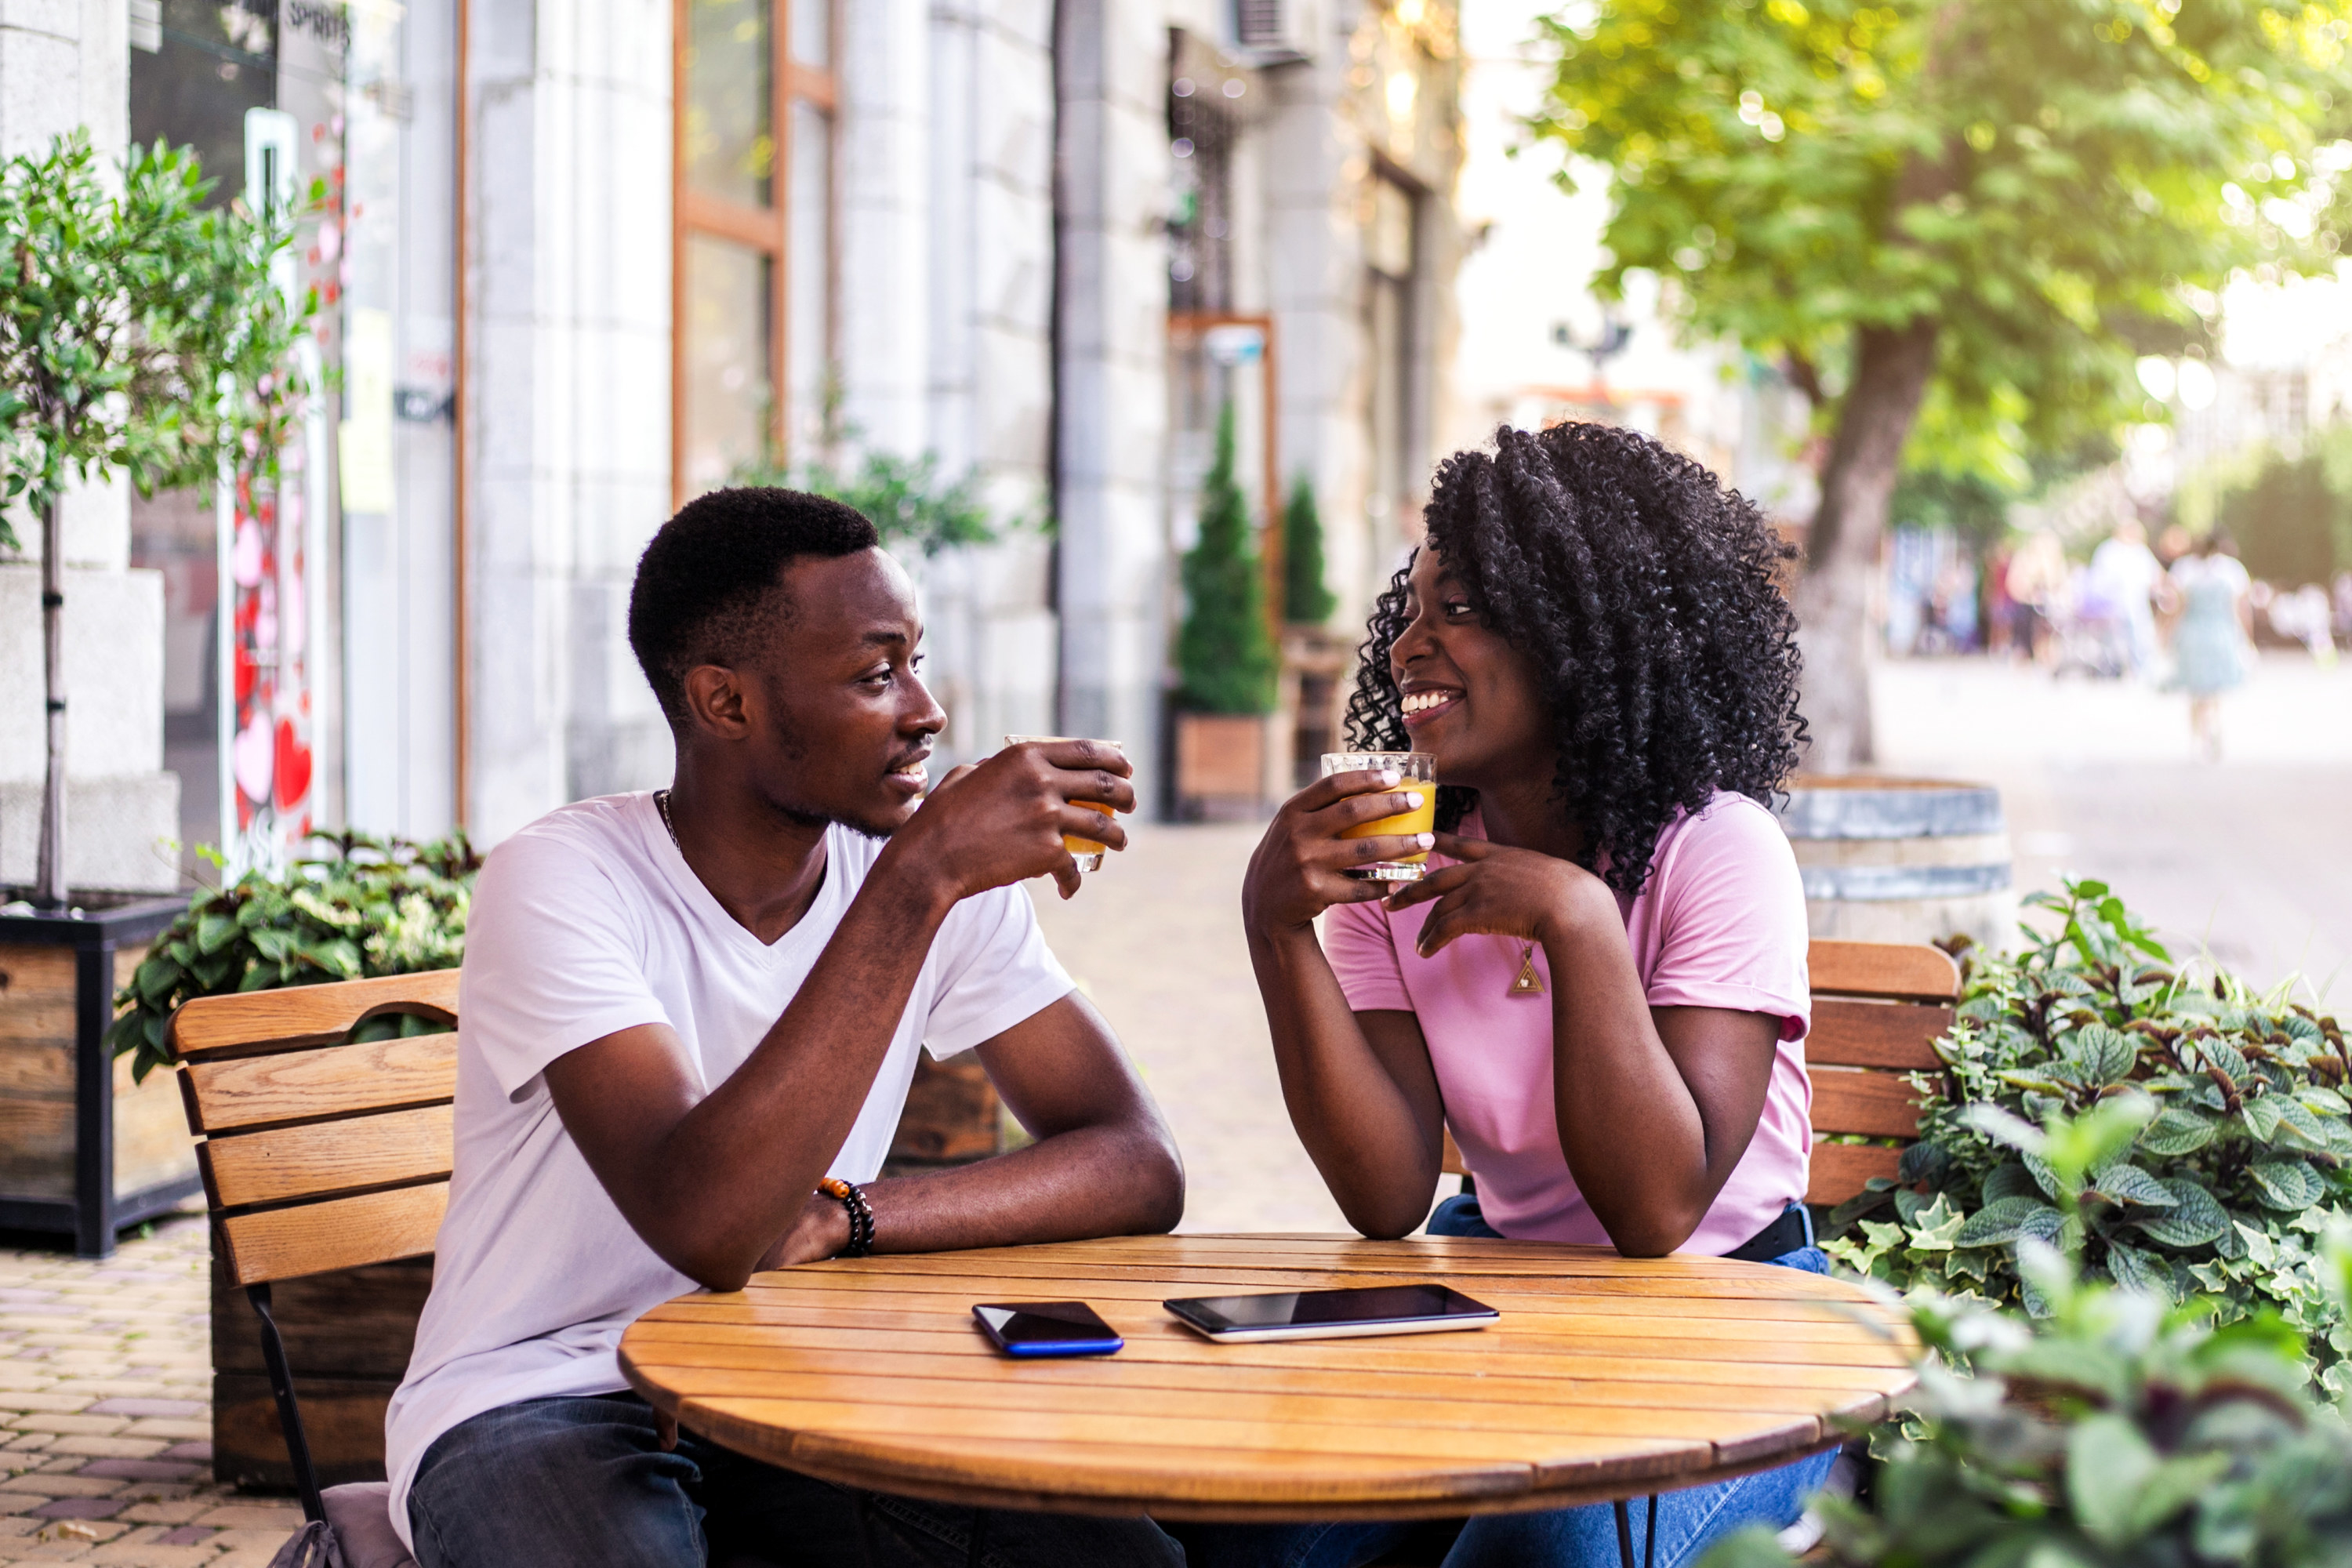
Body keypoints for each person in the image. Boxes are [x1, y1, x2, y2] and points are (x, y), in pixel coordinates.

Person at [383, 488, 1187, 1567]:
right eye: (875, 673)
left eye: (917, 662)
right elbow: (709, 1225)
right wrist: (919, 880)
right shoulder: (563, 880)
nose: (926, 709)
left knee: (1116, 1556)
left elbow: (1139, 1163)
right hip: (543, 1391)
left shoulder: (924, 877)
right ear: (725, 704)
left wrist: (849, 1216)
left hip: (787, 1372)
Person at [1193, 423, 1824, 1568]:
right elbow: (1388, 1196)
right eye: (1412, 610)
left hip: (1731, 1310)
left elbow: (1656, 1214)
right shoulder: (1401, 865)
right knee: (1264, 1529)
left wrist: (1581, 922)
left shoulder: (1718, 850)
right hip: (1495, 1290)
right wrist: (1276, 928)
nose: (1408, 649)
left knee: (1546, 1551)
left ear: (1588, 631)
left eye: (1464, 609)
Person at [2168, 529, 2252, 760]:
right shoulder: (2232, 570)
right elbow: (2239, 609)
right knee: (2214, 690)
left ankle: (2197, 739)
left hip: (2193, 633)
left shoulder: (2185, 569)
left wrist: (2167, 635)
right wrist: (2247, 639)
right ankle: (2214, 728)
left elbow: (2178, 608)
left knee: (2196, 690)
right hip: (2221, 633)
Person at [2085, 519, 2164, 677]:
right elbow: (2099, 579)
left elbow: (2154, 576)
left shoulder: (2140, 551)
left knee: (2141, 639)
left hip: (2137, 604)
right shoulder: (2109, 550)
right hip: (2113, 605)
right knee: (2113, 641)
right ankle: (2112, 670)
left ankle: (2141, 672)